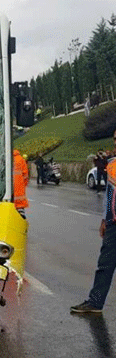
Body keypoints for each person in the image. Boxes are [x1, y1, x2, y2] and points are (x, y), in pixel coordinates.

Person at [71, 130, 116, 313]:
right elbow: (109, 194)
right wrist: (105, 219)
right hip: (113, 223)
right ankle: (95, 303)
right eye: (115, 139)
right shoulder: (113, 164)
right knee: (105, 264)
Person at [13, 149, 29, 218]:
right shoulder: (21, 159)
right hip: (19, 190)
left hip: (8, 194)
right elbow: (25, 175)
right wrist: (23, 185)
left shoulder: (6, 159)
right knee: (20, 216)